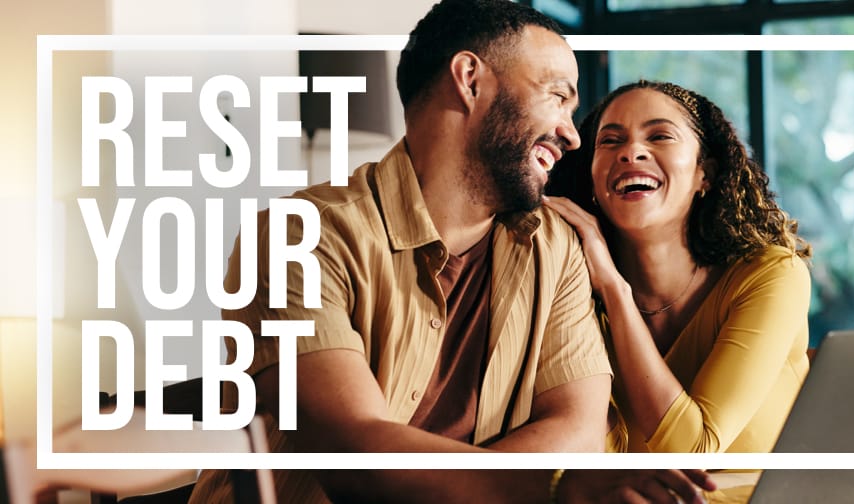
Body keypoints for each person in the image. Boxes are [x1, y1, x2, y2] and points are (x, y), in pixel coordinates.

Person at [189, 2, 716, 503]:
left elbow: (578, 430)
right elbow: (355, 454)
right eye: (557, 96)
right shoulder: (298, 237)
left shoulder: (556, 246)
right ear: (469, 79)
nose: (571, 135)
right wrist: (553, 488)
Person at [545, 79, 813, 454]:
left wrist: (614, 290)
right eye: (611, 141)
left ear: (705, 174)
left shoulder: (771, 274)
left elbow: (694, 449)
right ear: (591, 177)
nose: (631, 152)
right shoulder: (570, 291)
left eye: (660, 136)